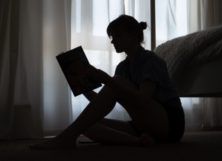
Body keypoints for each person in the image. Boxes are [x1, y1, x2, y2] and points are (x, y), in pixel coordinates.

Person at [30, 14, 185, 149]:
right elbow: (103, 102)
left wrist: (103, 77)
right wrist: (82, 85)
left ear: (132, 35)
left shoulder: (151, 61)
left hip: (169, 124)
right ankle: (138, 142)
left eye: (117, 36)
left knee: (116, 82)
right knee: (87, 126)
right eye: (112, 37)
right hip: (143, 126)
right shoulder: (123, 67)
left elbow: (142, 99)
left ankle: (66, 138)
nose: (112, 41)